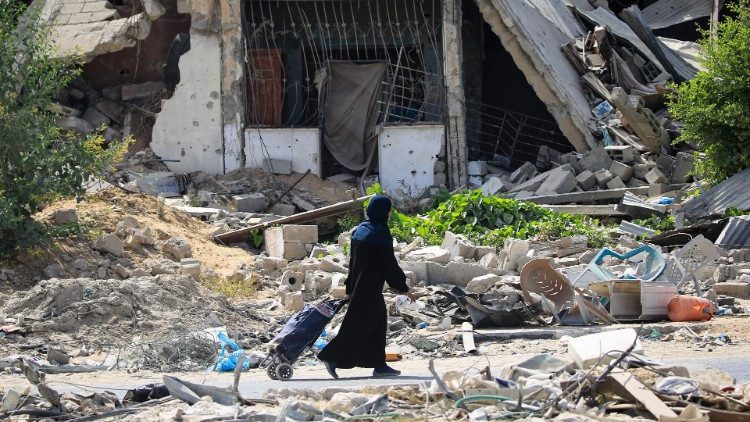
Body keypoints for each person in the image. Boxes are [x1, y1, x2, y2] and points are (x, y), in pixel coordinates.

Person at [318, 195, 416, 378]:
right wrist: (404, 288)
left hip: (360, 288)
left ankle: (379, 364)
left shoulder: (360, 230)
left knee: (377, 324)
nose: (389, 214)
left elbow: (353, 263)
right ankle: (331, 356)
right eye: (388, 211)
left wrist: (349, 287)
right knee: (358, 326)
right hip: (369, 289)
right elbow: (389, 265)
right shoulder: (380, 233)